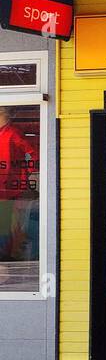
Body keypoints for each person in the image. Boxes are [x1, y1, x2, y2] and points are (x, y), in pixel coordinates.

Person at [0, 106, 38, 262]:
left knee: (7, 222)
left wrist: (30, 172)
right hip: (5, 187)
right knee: (6, 222)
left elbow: (33, 153)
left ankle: (8, 254)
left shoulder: (13, 133)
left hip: (9, 188)